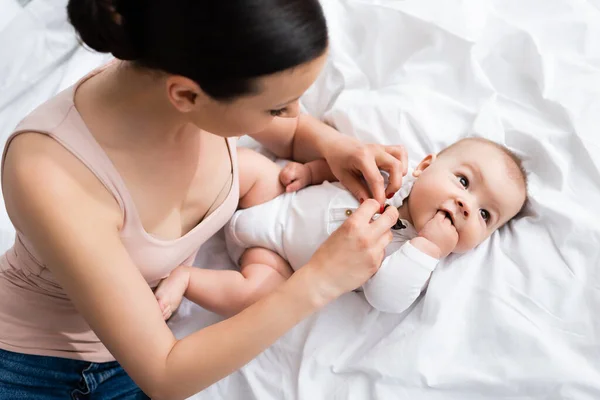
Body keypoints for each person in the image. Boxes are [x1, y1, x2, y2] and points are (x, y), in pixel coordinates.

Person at [0, 1, 409, 399]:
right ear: (187, 95)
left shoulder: (179, 83)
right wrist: (321, 279)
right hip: (32, 368)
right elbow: (164, 376)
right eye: (276, 107)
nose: (294, 113)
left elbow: (291, 131)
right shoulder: (50, 173)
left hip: (146, 347)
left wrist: (336, 147)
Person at [155, 137, 528, 317]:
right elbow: (341, 168)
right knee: (248, 164)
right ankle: (171, 197)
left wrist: (428, 247)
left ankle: (186, 278)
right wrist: (310, 170)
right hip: (275, 198)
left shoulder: (415, 261)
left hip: (273, 260)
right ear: (425, 165)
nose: (466, 206)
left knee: (257, 298)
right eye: (463, 182)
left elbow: (385, 298)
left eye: (485, 216)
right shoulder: (390, 178)